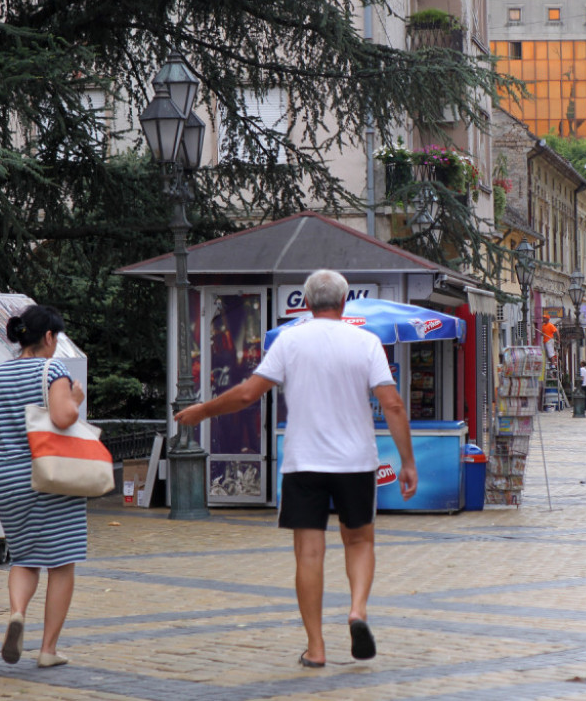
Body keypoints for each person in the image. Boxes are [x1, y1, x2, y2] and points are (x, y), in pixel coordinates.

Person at [175, 270, 417, 668]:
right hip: (355, 461)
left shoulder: (290, 340)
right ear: (343, 303)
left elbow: (248, 394)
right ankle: (357, 611)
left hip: (304, 461)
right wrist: (407, 462)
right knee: (360, 542)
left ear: (305, 303)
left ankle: (316, 648)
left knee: (309, 553)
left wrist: (202, 410)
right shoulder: (367, 342)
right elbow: (392, 405)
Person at [0, 305, 87, 668]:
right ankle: (48, 650)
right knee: (61, 562)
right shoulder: (51, 368)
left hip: (7, 479)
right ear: (49, 337)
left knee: (24, 557)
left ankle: (17, 613)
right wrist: (75, 398)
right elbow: (62, 416)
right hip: (50, 475)